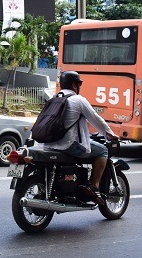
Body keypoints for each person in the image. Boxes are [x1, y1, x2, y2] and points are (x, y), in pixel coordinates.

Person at [42, 71, 119, 205]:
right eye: (79, 84)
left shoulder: (53, 99)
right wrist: (110, 134)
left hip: (48, 144)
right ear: (74, 85)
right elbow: (96, 119)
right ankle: (94, 186)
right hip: (68, 145)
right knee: (102, 151)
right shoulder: (78, 100)